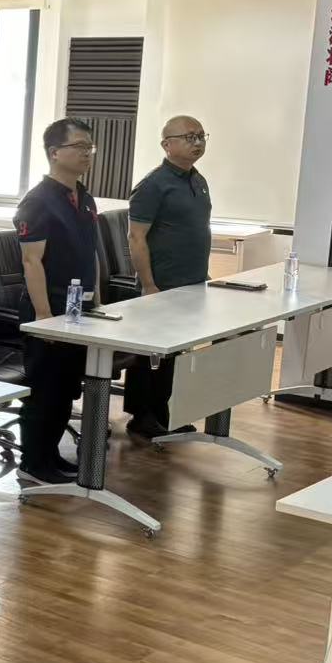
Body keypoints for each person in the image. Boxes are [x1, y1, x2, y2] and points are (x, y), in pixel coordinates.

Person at [15, 118, 101, 484]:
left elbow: (91, 252)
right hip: (48, 308)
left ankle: (51, 454)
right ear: (54, 153)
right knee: (45, 388)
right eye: (79, 146)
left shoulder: (84, 197)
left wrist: (99, 299)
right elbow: (31, 261)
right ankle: (33, 463)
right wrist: (43, 316)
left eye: (89, 147)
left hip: (79, 307)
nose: (87, 153)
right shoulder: (38, 201)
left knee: (66, 387)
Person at [124, 115, 213, 440]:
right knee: (152, 355)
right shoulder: (154, 185)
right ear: (166, 144)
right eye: (189, 137)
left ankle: (165, 415)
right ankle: (142, 416)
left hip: (192, 285)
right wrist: (148, 285)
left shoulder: (198, 179)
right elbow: (136, 237)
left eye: (201, 135)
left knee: (174, 353)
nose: (197, 142)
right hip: (161, 286)